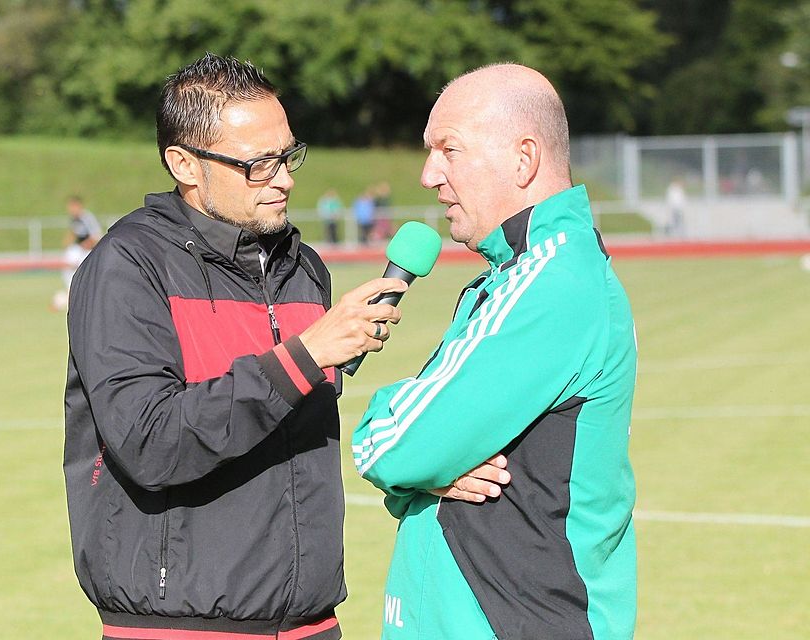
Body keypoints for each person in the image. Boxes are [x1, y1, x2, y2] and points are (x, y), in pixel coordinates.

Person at [64, 53, 507, 640]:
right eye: (259, 164)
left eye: (289, 155)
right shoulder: (127, 267)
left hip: (311, 622)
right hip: (181, 626)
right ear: (184, 164)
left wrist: (425, 465)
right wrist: (304, 356)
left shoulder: (305, 270)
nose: (285, 178)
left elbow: (300, 437)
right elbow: (152, 443)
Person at [352, 63, 638, 639]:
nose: (430, 174)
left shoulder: (550, 282)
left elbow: (394, 444)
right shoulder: (522, 272)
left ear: (523, 158)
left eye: (448, 149)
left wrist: (393, 441)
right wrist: (428, 469)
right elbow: (423, 451)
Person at [53, 195, 102, 310]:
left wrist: (84, 246)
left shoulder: (87, 218)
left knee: (81, 276)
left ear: (78, 206)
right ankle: (69, 296)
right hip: (77, 250)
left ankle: (66, 298)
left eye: (72, 206)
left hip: (85, 252)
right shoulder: (74, 219)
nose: (70, 209)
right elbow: (74, 232)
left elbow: (96, 235)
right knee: (68, 273)